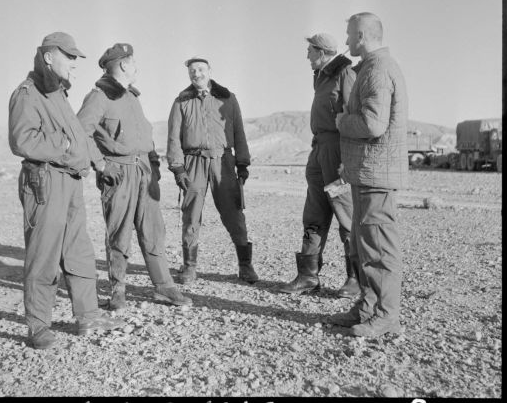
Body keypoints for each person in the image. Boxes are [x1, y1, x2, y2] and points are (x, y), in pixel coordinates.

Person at [8, 32, 124, 350]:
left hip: (71, 181)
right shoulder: (28, 94)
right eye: (69, 56)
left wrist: (97, 163)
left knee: (78, 250)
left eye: (75, 57)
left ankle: (87, 315)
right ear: (48, 56)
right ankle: (38, 326)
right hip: (44, 182)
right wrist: (64, 146)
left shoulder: (58, 94)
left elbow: (80, 138)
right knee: (44, 254)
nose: (74, 63)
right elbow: (22, 140)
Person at [77, 43, 192, 309]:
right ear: (124, 65)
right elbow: (80, 132)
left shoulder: (131, 97)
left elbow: (144, 135)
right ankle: (117, 291)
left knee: (154, 230)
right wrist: (101, 165)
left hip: (144, 172)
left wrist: (153, 164)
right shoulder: (99, 96)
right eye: (134, 62)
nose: (137, 67)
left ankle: (164, 286)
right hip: (119, 173)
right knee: (119, 232)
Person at [329, 12, 408, 338]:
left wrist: (340, 122)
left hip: (376, 176)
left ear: (362, 35)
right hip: (367, 173)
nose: (346, 42)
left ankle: (386, 316)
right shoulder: (372, 68)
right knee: (365, 247)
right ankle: (368, 307)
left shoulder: (377, 70)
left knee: (378, 248)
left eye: (349, 35)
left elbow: (373, 124)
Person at [278, 33, 360, 298]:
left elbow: (352, 115)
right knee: (314, 213)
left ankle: (355, 278)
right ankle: (308, 276)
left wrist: (347, 160)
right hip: (319, 151)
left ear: (322, 51)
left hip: (337, 154)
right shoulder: (322, 76)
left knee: (346, 214)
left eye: (310, 51)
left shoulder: (344, 73)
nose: (307, 56)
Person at [166, 56, 258, 285]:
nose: (196, 74)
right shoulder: (181, 102)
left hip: (223, 161)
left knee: (233, 212)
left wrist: (242, 164)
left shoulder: (228, 99)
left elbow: (239, 132)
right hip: (193, 162)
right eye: (192, 71)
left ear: (209, 71)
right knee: (191, 214)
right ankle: (189, 267)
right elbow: (173, 137)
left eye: (200, 69)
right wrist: (177, 167)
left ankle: (245, 266)